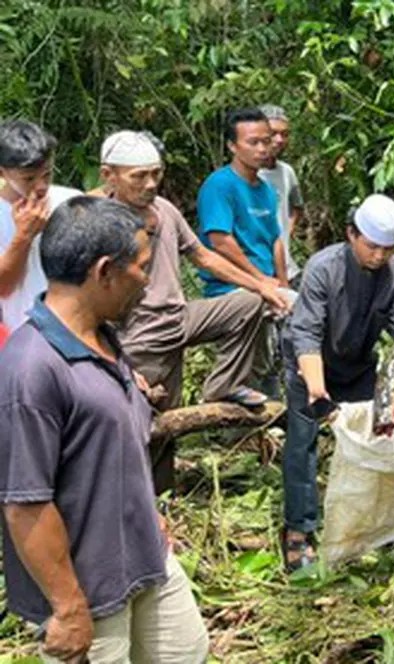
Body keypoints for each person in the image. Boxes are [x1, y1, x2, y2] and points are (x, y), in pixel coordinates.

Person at [0, 197, 208, 663]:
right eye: (142, 267)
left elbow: (111, 447)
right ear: (104, 272)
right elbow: (25, 505)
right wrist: (69, 607)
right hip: (88, 589)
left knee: (188, 651)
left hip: (145, 558)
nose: (148, 280)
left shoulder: (105, 339)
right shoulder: (32, 370)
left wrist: (146, 512)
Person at [96, 131, 289, 408]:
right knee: (154, 424)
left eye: (156, 174)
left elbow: (203, 256)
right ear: (108, 175)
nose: (150, 184)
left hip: (178, 317)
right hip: (139, 335)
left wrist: (261, 285)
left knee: (249, 303)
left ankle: (226, 385)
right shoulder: (99, 222)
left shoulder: (164, 209)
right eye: (138, 176)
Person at [283, 194, 394, 571]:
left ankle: (371, 525)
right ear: (351, 234)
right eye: (372, 246)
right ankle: (299, 530)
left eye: (388, 249)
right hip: (310, 363)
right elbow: (307, 333)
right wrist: (317, 391)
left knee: (377, 437)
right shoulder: (323, 268)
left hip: (359, 365)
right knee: (302, 442)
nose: (379, 257)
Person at [0, 120, 83, 330]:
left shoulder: (71, 201)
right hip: (24, 333)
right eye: (28, 179)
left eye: (47, 174)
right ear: (3, 173)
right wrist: (24, 236)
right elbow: (3, 288)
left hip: (78, 328)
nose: (41, 186)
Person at [196, 108, 288, 296]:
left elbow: (275, 240)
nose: (262, 149)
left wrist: (283, 283)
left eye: (266, 141)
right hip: (231, 288)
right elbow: (220, 241)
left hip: (268, 285)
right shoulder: (220, 185)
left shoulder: (267, 189)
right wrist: (259, 279)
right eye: (253, 143)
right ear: (232, 146)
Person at [258, 104, 305, 285]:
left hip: (288, 269)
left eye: (284, 134)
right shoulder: (245, 176)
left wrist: (286, 232)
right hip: (259, 273)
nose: (279, 140)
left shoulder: (287, 172)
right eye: (273, 133)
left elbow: (297, 206)